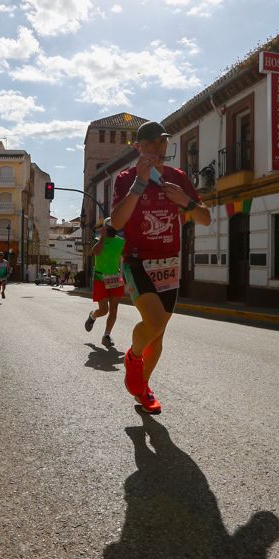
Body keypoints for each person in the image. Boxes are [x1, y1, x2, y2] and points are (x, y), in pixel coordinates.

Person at [111, 121, 211, 413]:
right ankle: (133, 356)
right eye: (152, 143)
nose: (158, 147)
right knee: (153, 323)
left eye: (162, 142)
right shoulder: (125, 178)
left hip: (169, 263)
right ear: (138, 147)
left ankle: (142, 388)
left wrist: (186, 201)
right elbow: (116, 222)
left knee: (158, 332)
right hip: (137, 261)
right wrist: (139, 184)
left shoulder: (177, 177)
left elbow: (205, 218)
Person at [84, 218, 125, 349]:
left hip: (115, 278)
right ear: (105, 228)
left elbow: (126, 257)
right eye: (109, 228)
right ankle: (93, 316)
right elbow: (95, 252)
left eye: (114, 227)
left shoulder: (121, 242)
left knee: (114, 308)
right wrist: (102, 238)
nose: (112, 230)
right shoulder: (98, 240)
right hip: (100, 277)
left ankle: (106, 335)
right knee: (104, 310)